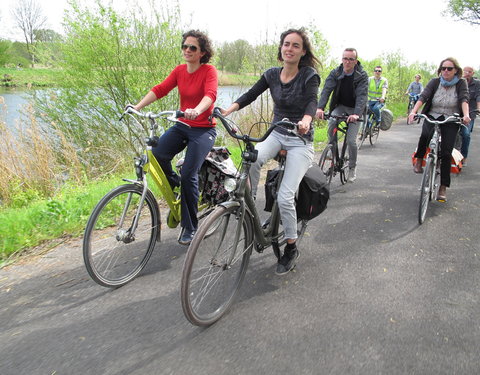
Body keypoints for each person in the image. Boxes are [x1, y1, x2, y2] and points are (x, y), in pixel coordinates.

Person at [221, 28, 321, 275]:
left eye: (295, 45)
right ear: (281, 48)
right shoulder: (272, 74)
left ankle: (291, 247)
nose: (290, 48)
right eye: (286, 44)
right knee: (251, 159)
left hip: (299, 139)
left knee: (286, 197)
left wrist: (307, 119)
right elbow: (250, 95)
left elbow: (312, 101)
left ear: (303, 51)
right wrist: (227, 111)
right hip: (276, 133)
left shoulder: (309, 75)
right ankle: (248, 206)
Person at [131, 30, 217, 245]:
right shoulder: (179, 71)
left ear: (202, 52)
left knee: (190, 172)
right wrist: (137, 106)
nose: (187, 50)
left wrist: (197, 110)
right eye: (185, 46)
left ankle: (190, 226)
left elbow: (210, 95)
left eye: (193, 48)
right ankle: (177, 184)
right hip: (182, 126)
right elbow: (161, 89)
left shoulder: (209, 71)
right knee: (158, 154)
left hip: (203, 129)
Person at [408, 57, 470, 202]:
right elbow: (424, 97)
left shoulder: (461, 83)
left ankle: (442, 186)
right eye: (443, 68)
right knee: (425, 135)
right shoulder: (434, 82)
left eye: (449, 68)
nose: (446, 71)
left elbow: (464, 99)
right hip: (433, 114)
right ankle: (419, 160)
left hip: (451, 118)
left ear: (456, 71)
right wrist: (414, 111)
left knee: (446, 152)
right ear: (440, 70)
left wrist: (466, 115)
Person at [316, 48, 369, 183]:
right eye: (345, 58)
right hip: (340, 107)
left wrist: (357, 114)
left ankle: (352, 167)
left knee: (351, 141)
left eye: (351, 59)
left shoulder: (361, 75)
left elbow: (362, 96)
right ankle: (332, 149)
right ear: (342, 59)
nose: (347, 62)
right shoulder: (336, 72)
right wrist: (320, 108)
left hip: (355, 110)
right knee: (332, 121)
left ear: (355, 61)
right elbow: (326, 90)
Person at [459, 66, 480, 166]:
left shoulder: (477, 83)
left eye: (469, 72)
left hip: (470, 112)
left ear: (472, 73)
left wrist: (479, 108)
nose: (467, 73)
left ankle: (464, 157)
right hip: (456, 112)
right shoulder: (458, 81)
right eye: (465, 71)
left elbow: (478, 97)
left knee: (466, 134)